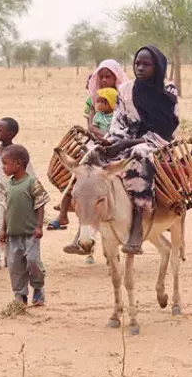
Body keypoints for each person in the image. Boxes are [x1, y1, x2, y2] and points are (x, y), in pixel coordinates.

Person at [102, 46, 179, 255]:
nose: (140, 68)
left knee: (140, 154)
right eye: (137, 63)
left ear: (158, 66)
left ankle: (137, 221)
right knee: (94, 151)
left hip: (156, 141)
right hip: (127, 138)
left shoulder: (167, 89)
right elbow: (118, 123)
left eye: (146, 64)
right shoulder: (125, 89)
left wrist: (126, 145)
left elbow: (166, 128)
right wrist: (111, 143)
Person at [50, 59, 128, 232]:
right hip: (97, 143)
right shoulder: (95, 99)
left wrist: (116, 139)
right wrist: (102, 138)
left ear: (116, 78)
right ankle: (63, 212)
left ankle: (142, 212)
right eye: (101, 77)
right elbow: (91, 126)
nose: (104, 80)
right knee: (77, 171)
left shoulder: (126, 97)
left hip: (121, 142)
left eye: (108, 77)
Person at [0, 145, 50, 305]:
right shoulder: (8, 186)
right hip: (13, 234)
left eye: (5, 164)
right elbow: (7, 209)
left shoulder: (32, 182)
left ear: (18, 163)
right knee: (15, 265)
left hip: (30, 233)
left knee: (33, 261)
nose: (3, 167)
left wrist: (39, 226)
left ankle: (38, 287)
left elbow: (40, 204)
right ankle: (20, 295)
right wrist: (3, 229)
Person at [0, 117, 36, 271]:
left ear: (10, 134)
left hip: (16, 194)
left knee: (13, 227)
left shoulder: (18, 153)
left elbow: (31, 175)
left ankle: (10, 256)